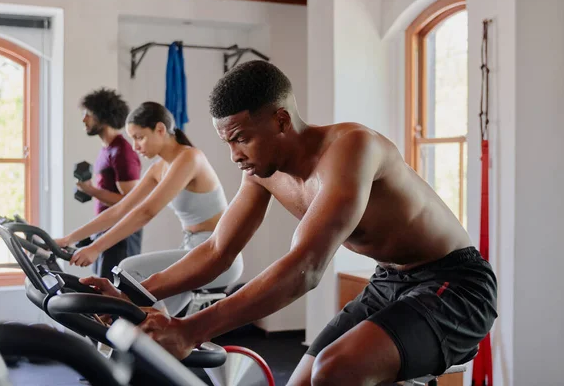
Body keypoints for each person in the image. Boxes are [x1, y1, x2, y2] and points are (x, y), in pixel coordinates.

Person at [84, 61, 498, 385]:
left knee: (335, 370)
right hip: (389, 281)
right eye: (227, 141)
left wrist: (191, 329)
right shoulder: (261, 173)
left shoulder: (352, 148)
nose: (234, 155)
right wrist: (132, 294)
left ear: (281, 121)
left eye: (241, 138)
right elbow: (216, 250)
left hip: (456, 285)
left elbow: (306, 268)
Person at [57, 102, 234, 288]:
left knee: (129, 269)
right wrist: (69, 239)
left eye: (139, 137)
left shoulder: (190, 158)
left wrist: (96, 248)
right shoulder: (158, 168)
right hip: (191, 251)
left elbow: (146, 212)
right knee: (146, 309)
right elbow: (120, 209)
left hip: (217, 254)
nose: (135, 146)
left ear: (160, 129)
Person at [70, 88, 142, 281]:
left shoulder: (122, 152)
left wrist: (91, 190)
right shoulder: (107, 150)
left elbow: (130, 203)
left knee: (112, 299)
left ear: (102, 116)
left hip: (120, 238)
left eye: (88, 114)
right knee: (101, 293)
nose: (84, 119)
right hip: (105, 233)